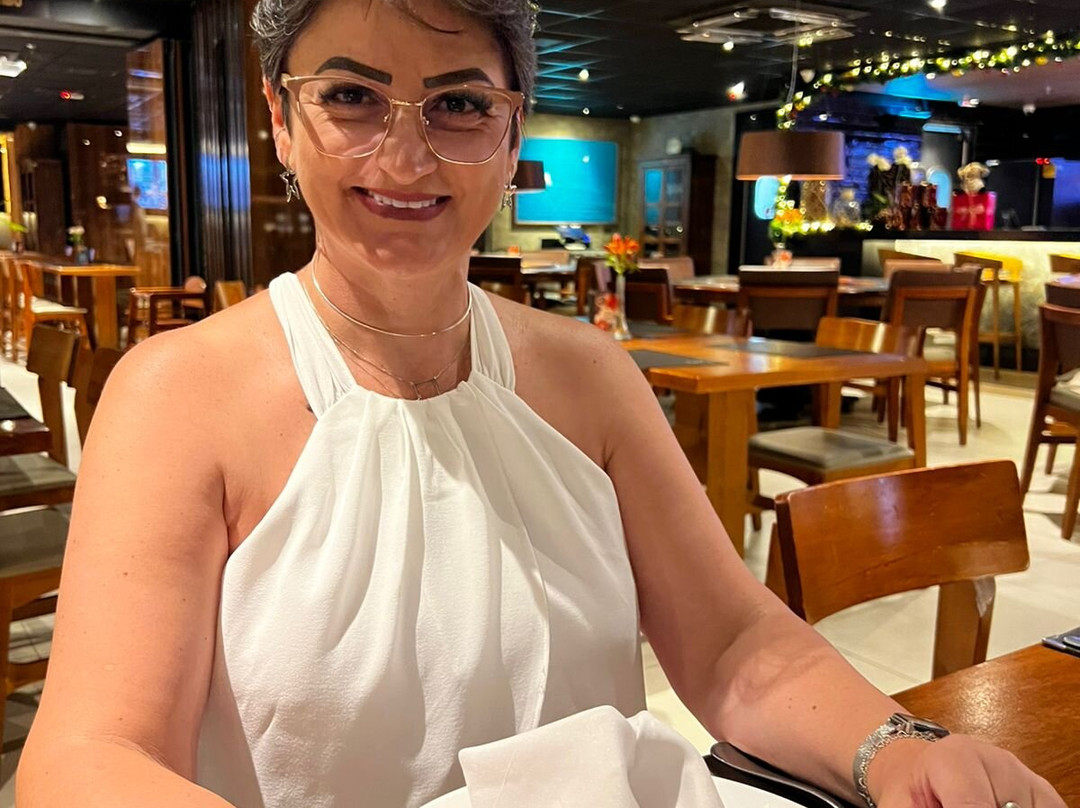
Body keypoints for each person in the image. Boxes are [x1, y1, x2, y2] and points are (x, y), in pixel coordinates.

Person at [16, 1, 1065, 807]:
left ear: (513, 132)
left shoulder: (588, 374)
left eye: (461, 104)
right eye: (350, 96)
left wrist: (897, 749)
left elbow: (734, 644)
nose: (406, 156)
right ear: (283, 120)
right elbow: (86, 757)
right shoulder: (176, 395)